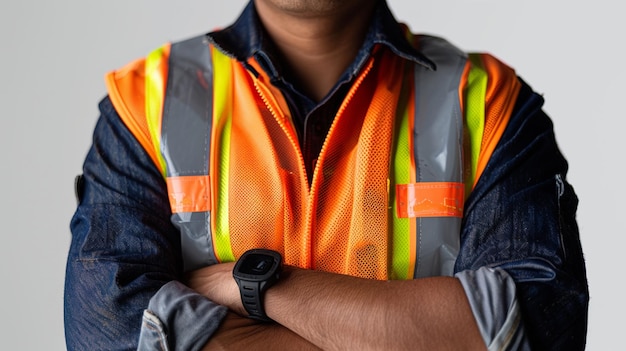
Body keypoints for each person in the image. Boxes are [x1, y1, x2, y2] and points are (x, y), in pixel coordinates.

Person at [64, 0, 589, 350]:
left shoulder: (489, 103)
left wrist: (254, 288)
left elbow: (541, 329)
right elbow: (106, 332)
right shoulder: (145, 105)